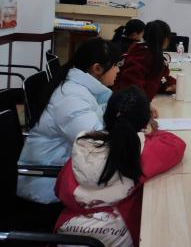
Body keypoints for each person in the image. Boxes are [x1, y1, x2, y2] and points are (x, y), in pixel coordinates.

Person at [54, 86, 186, 247]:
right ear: (145, 121)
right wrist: (150, 132)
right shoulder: (141, 151)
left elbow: (59, 188)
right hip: (111, 236)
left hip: (66, 235)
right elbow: (176, 144)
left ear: (105, 116)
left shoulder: (83, 148)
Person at [17, 38, 122, 204]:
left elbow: (96, 115)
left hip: (63, 171)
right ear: (97, 68)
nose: (118, 70)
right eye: (116, 65)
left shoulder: (78, 88)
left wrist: (123, 107)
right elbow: (95, 144)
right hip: (48, 185)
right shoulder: (71, 97)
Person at [114, 20, 176, 101]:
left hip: (141, 101)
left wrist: (170, 84)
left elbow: (160, 78)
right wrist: (143, 103)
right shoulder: (142, 56)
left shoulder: (155, 56)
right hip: (128, 104)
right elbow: (131, 90)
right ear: (165, 40)